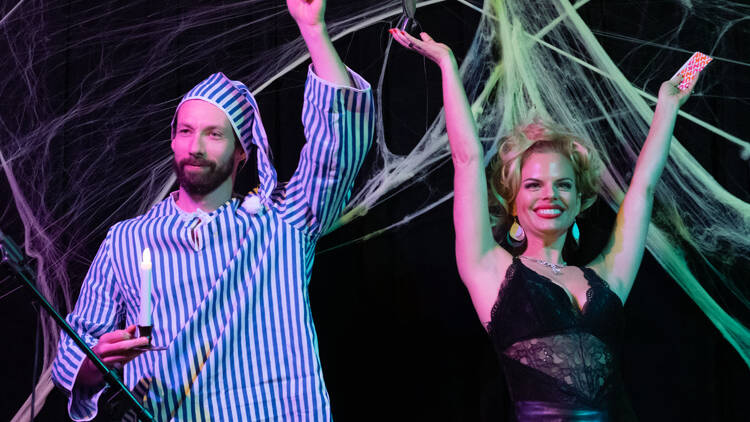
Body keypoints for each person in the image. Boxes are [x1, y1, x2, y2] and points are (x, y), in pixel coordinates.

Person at [50, 1, 374, 420]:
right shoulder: (127, 241)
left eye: (213, 134)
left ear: (242, 152)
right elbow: (77, 348)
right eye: (185, 131)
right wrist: (94, 367)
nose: (195, 146)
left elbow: (337, 150)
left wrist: (313, 30)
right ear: (171, 141)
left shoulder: (282, 223)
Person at [390, 27, 696, 421]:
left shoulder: (608, 275)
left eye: (562, 185)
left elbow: (643, 192)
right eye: (534, 184)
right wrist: (448, 64)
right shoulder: (490, 269)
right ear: (513, 203)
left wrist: (668, 105)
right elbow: (466, 160)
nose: (549, 195)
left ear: (580, 200)